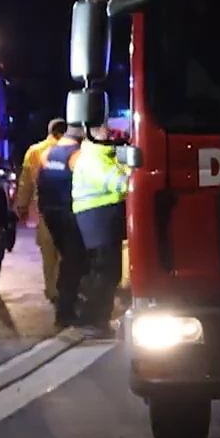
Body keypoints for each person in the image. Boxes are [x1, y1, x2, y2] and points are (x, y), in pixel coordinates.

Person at [70, 125, 131, 337]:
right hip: (98, 219)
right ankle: (92, 321)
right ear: (94, 135)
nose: (111, 134)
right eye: (105, 131)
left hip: (102, 220)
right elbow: (120, 184)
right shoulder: (93, 158)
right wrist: (134, 175)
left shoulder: (104, 156)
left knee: (106, 270)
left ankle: (96, 320)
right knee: (105, 270)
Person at [34, 122, 90, 330]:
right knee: (74, 262)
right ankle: (66, 311)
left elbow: (40, 181)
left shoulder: (48, 153)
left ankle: (66, 305)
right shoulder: (77, 155)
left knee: (68, 260)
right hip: (70, 213)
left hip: (50, 213)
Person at [14, 117, 69, 301]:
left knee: (48, 253)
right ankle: (65, 289)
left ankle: (52, 291)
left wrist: (21, 205)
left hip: (44, 209)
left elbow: (26, 181)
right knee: (66, 252)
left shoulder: (35, 151)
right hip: (68, 208)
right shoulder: (72, 150)